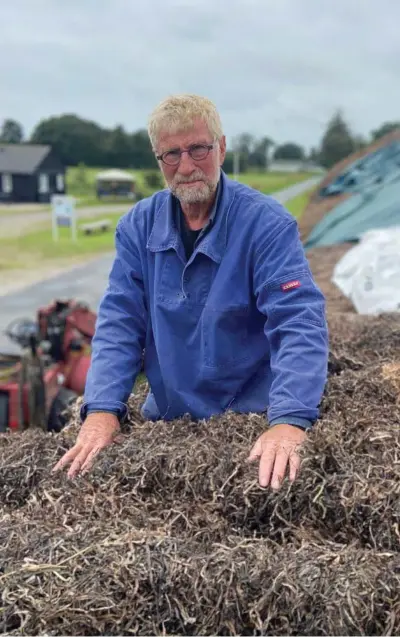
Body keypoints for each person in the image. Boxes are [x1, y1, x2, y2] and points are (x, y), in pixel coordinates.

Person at [53, 94, 329, 489]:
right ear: (158, 159)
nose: (186, 166)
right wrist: (101, 410)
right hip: (169, 415)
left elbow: (298, 321)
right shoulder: (138, 227)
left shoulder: (265, 225)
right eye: (171, 154)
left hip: (247, 414)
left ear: (221, 147)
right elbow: (119, 325)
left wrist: (289, 421)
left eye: (198, 149)